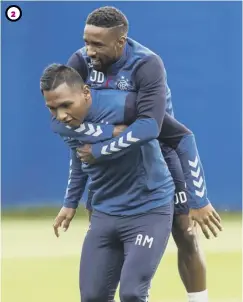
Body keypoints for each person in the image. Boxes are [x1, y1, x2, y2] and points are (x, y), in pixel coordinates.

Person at [64, 6, 222, 302]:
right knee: (104, 228)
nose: (89, 51)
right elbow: (68, 116)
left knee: (185, 231)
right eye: (87, 42)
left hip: (159, 152)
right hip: (116, 160)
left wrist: (199, 199)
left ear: (120, 42)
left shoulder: (147, 65)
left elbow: (155, 128)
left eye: (97, 44)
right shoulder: (80, 62)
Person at [41, 63, 175, 302]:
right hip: (105, 213)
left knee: (132, 293)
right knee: (92, 297)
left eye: (65, 105)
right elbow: (80, 157)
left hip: (148, 210)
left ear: (85, 92)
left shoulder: (126, 105)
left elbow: (172, 134)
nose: (61, 115)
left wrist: (193, 197)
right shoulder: (63, 124)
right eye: (52, 108)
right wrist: (70, 202)